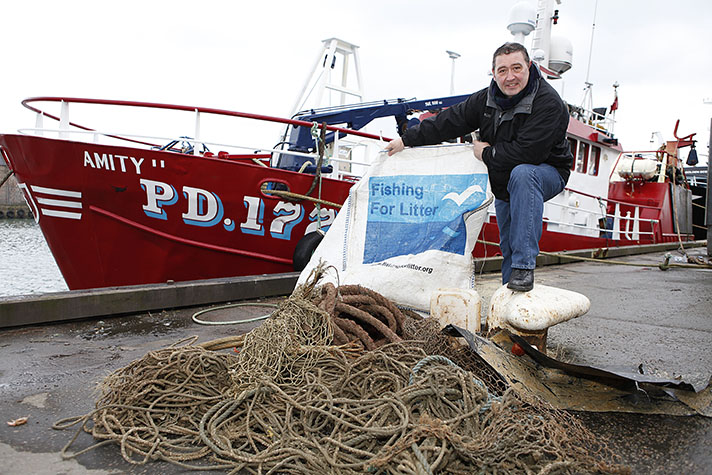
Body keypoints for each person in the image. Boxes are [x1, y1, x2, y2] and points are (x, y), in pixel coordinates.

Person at [385, 42, 573, 292]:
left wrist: (485, 152)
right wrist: (407, 139)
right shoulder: (487, 98)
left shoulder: (549, 104)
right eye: (503, 70)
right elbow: (450, 121)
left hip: (545, 171)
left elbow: (528, 153)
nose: (510, 77)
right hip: (505, 177)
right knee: (508, 242)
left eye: (517, 68)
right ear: (493, 73)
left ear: (529, 66)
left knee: (524, 174)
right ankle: (512, 305)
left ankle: (524, 267)